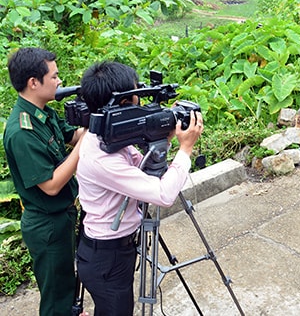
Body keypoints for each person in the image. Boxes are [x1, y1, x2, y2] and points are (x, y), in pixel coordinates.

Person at [75, 61, 203, 315]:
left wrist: (162, 137)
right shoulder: (101, 157)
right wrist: (185, 149)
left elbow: (140, 167)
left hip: (112, 251)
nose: (140, 103)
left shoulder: (107, 137)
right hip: (107, 257)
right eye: (137, 95)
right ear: (122, 104)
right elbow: (163, 194)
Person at [3, 47, 85, 315]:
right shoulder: (22, 131)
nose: (59, 81)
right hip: (47, 224)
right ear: (33, 83)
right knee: (56, 299)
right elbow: (50, 185)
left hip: (61, 216)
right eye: (55, 76)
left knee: (66, 286)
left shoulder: (43, 112)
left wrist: (96, 122)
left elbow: (71, 136)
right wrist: (82, 147)